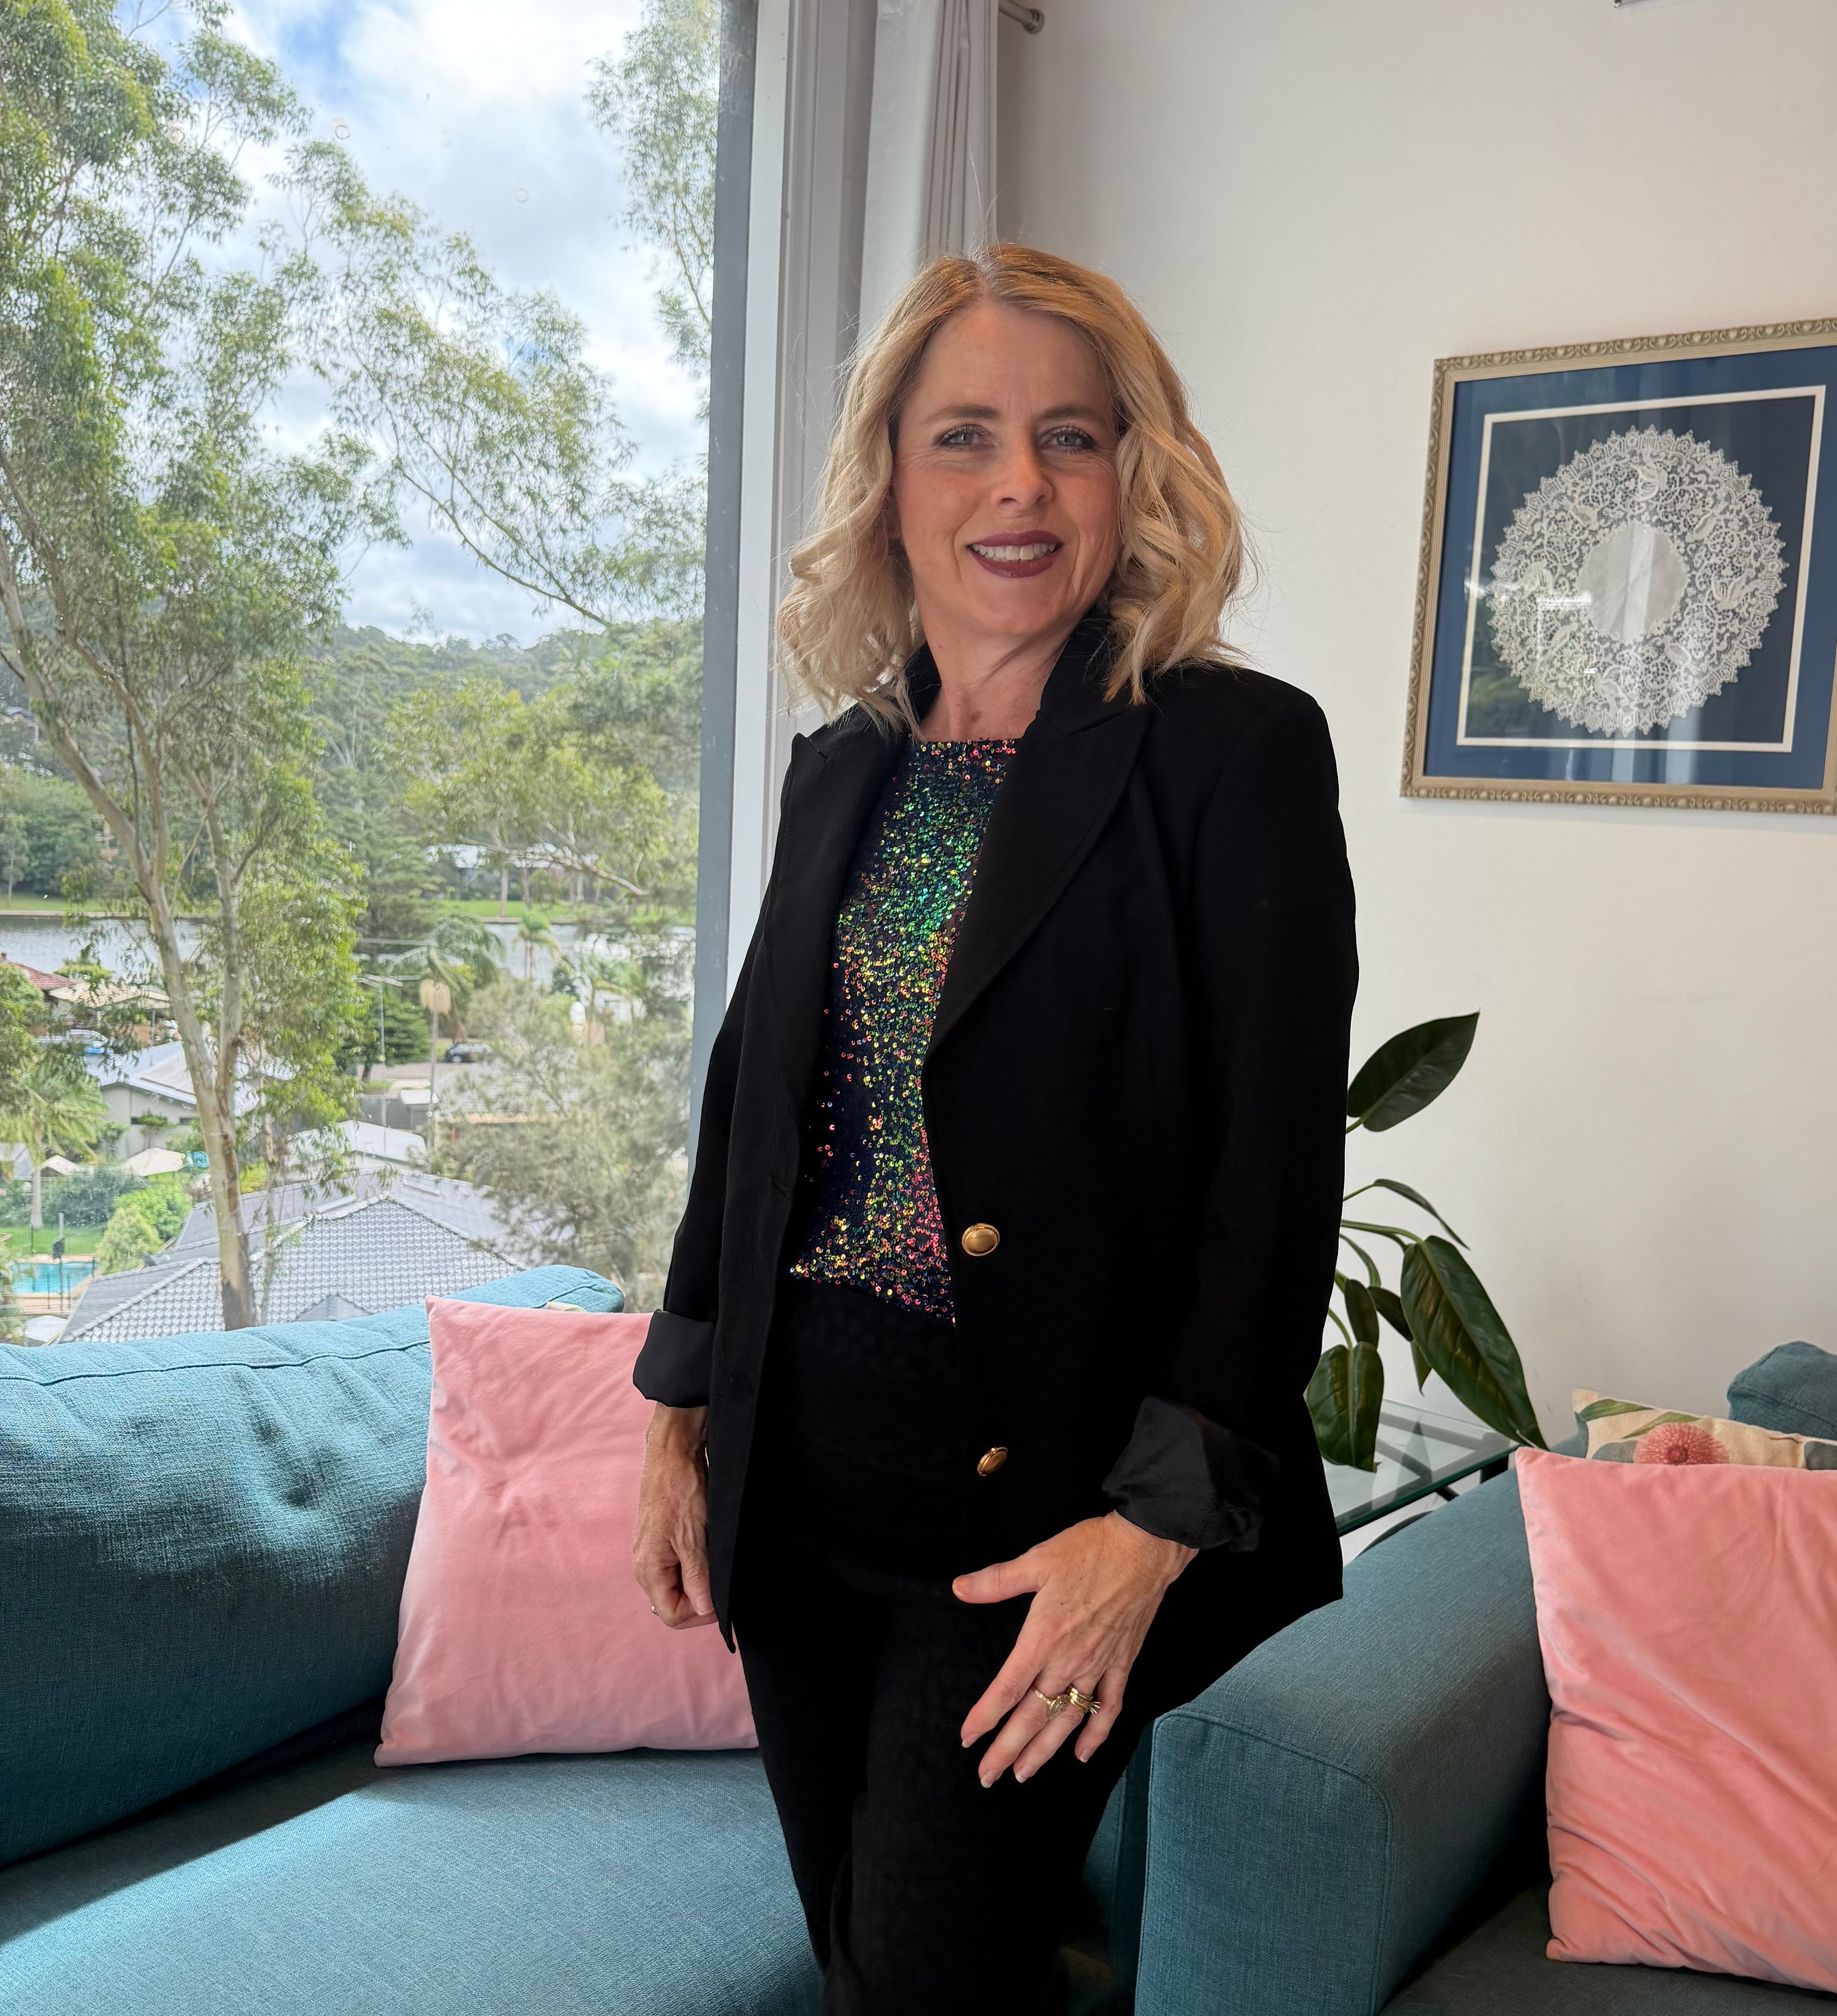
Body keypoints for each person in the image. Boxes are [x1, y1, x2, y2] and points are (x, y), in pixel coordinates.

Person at [632, 242, 1357, 2015]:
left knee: (925, 1978)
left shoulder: (1228, 751)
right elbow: (752, 1098)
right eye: (964, 436)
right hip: (798, 1479)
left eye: (1070, 438)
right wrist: (676, 1407)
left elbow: (1274, 1176)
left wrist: (1149, 1533)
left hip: (1039, 1516)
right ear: (891, 478)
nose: (1017, 484)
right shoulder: (841, 760)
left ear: (1137, 473)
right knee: (856, 1954)